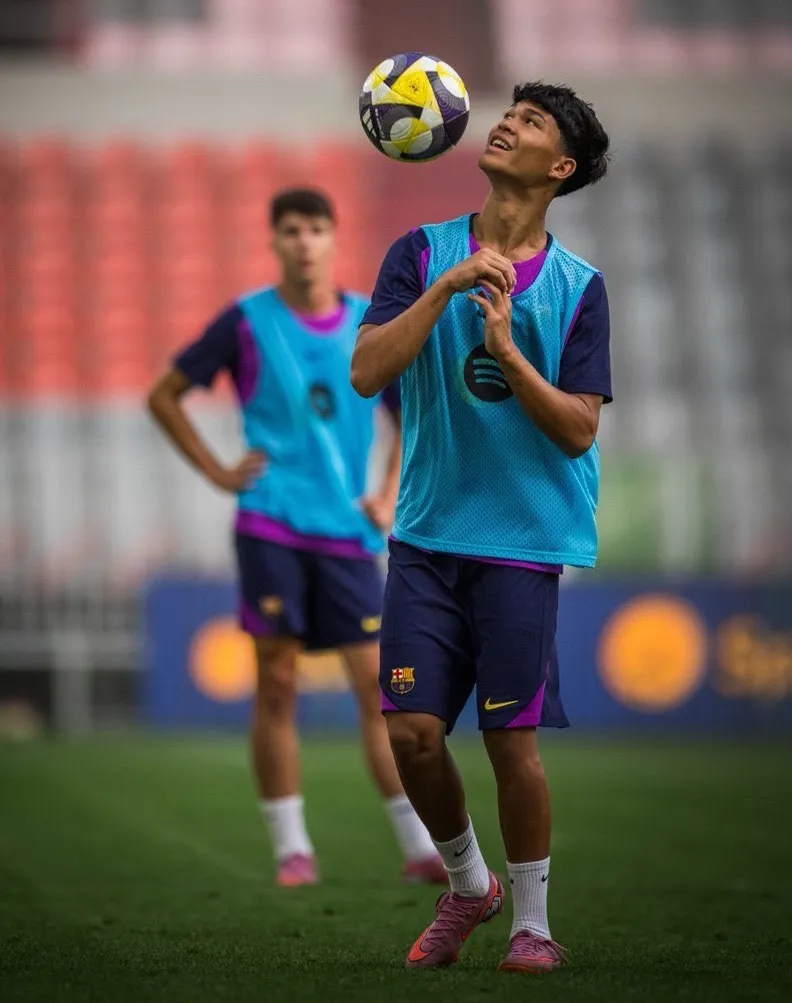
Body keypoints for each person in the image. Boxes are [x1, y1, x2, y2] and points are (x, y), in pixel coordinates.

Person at [351, 83, 612, 972]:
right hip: (426, 536)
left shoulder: (579, 289)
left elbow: (578, 427)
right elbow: (366, 371)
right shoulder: (421, 252)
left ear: (561, 167)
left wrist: (506, 350)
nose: (506, 123)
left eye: (531, 122)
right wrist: (447, 288)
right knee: (412, 734)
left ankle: (532, 925)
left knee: (510, 741)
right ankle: (470, 886)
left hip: (523, 544)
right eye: (511, 113)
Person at [147, 188, 445, 888]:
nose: (304, 241)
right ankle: (292, 849)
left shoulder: (369, 324)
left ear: (333, 239)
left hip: (347, 532)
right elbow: (164, 395)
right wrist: (218, 471)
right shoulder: (246, 322)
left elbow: (411, 413)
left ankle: (418, 847)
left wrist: (389, 490)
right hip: (271, 522)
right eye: (291, 230)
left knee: (376, 687)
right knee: (277, 682)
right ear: (275, 241)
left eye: (315, 229)